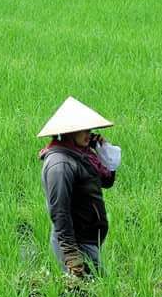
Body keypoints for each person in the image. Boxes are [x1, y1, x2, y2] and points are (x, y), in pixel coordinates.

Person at [37, 96, 122, 278]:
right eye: (83, 130)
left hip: (88, 240)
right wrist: (71, 255)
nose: (88, 133)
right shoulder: (60, 164)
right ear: (69, 131)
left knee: (96, 295)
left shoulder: (81, 154)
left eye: (89, 129)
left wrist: (103, 151)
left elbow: (106, 182)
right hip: (76, 243)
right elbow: (59, 212)